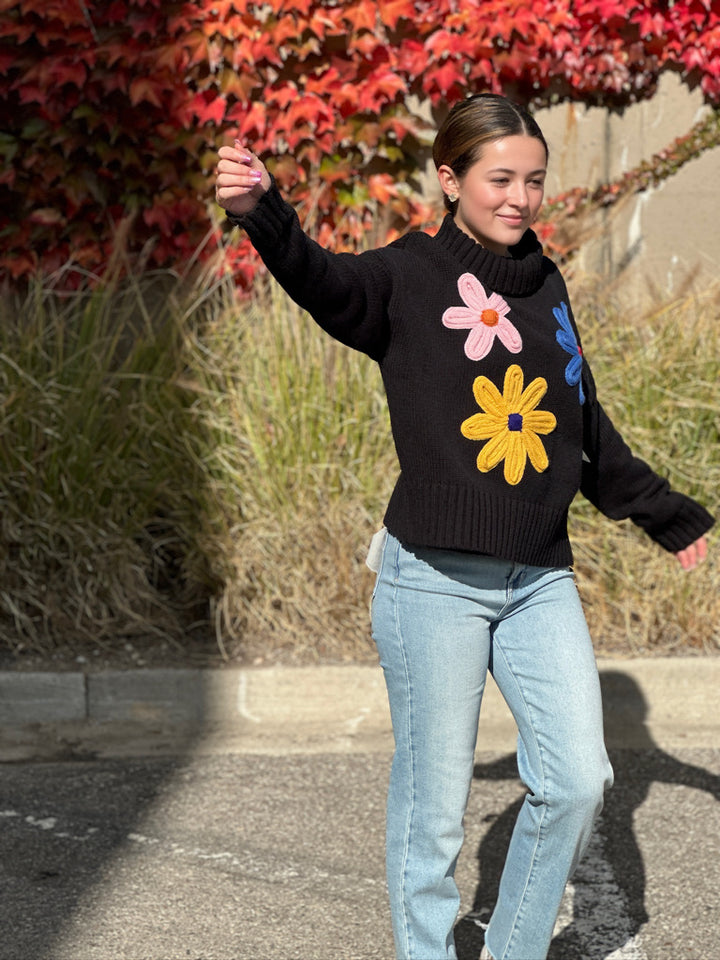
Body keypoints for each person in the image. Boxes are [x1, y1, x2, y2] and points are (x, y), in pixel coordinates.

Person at [214, 94, 713, 960]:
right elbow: (323, 278)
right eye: (499, 179)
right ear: (450, 179)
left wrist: (662, 513)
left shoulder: (547, 282)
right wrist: (262, 210)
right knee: (433, 814)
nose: (519, 197)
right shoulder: (409, 277)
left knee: (578, 781)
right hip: (432, 584)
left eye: (534, 180)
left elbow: (582, 425)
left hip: (538, 578)